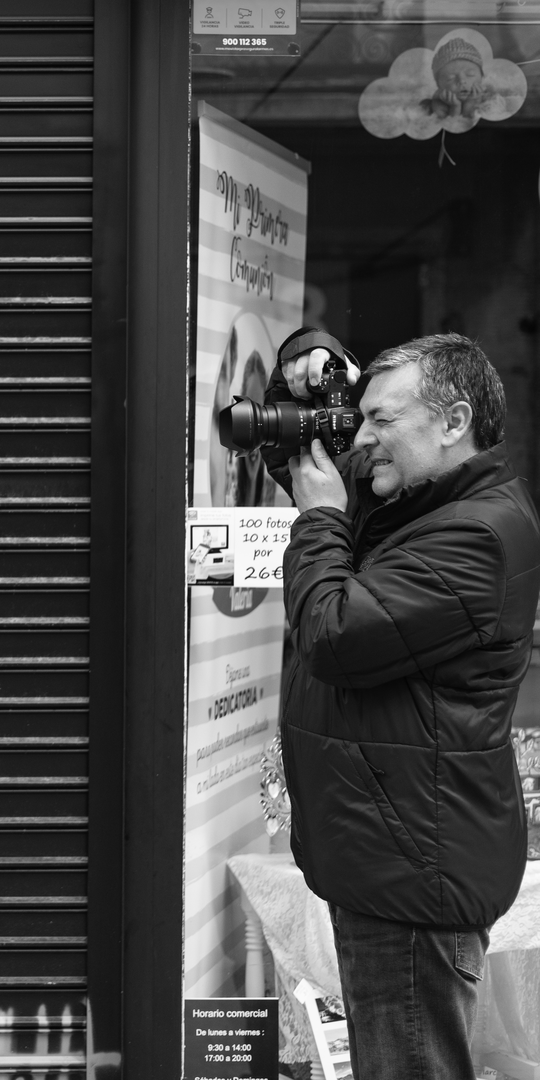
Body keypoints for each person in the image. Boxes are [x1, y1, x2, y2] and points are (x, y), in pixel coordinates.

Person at [263, 330, 540, 1079]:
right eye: (363, 417)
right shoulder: (426, 504)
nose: (364, 438)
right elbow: (303, 454)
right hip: (398, 855)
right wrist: (312, 365)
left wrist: (319, 520)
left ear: (453, 422)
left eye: (384, 420)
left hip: (412, 873)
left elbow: (332, 635)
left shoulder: (474, 536)